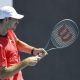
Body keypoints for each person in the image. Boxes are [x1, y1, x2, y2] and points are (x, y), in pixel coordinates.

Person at [0, 6, 48, 80]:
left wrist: (33, 50)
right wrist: (26, 62)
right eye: (15, 19)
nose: (17, 22)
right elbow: (2, 74)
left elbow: (17, 42)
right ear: (6, 19)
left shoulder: (9, 31)